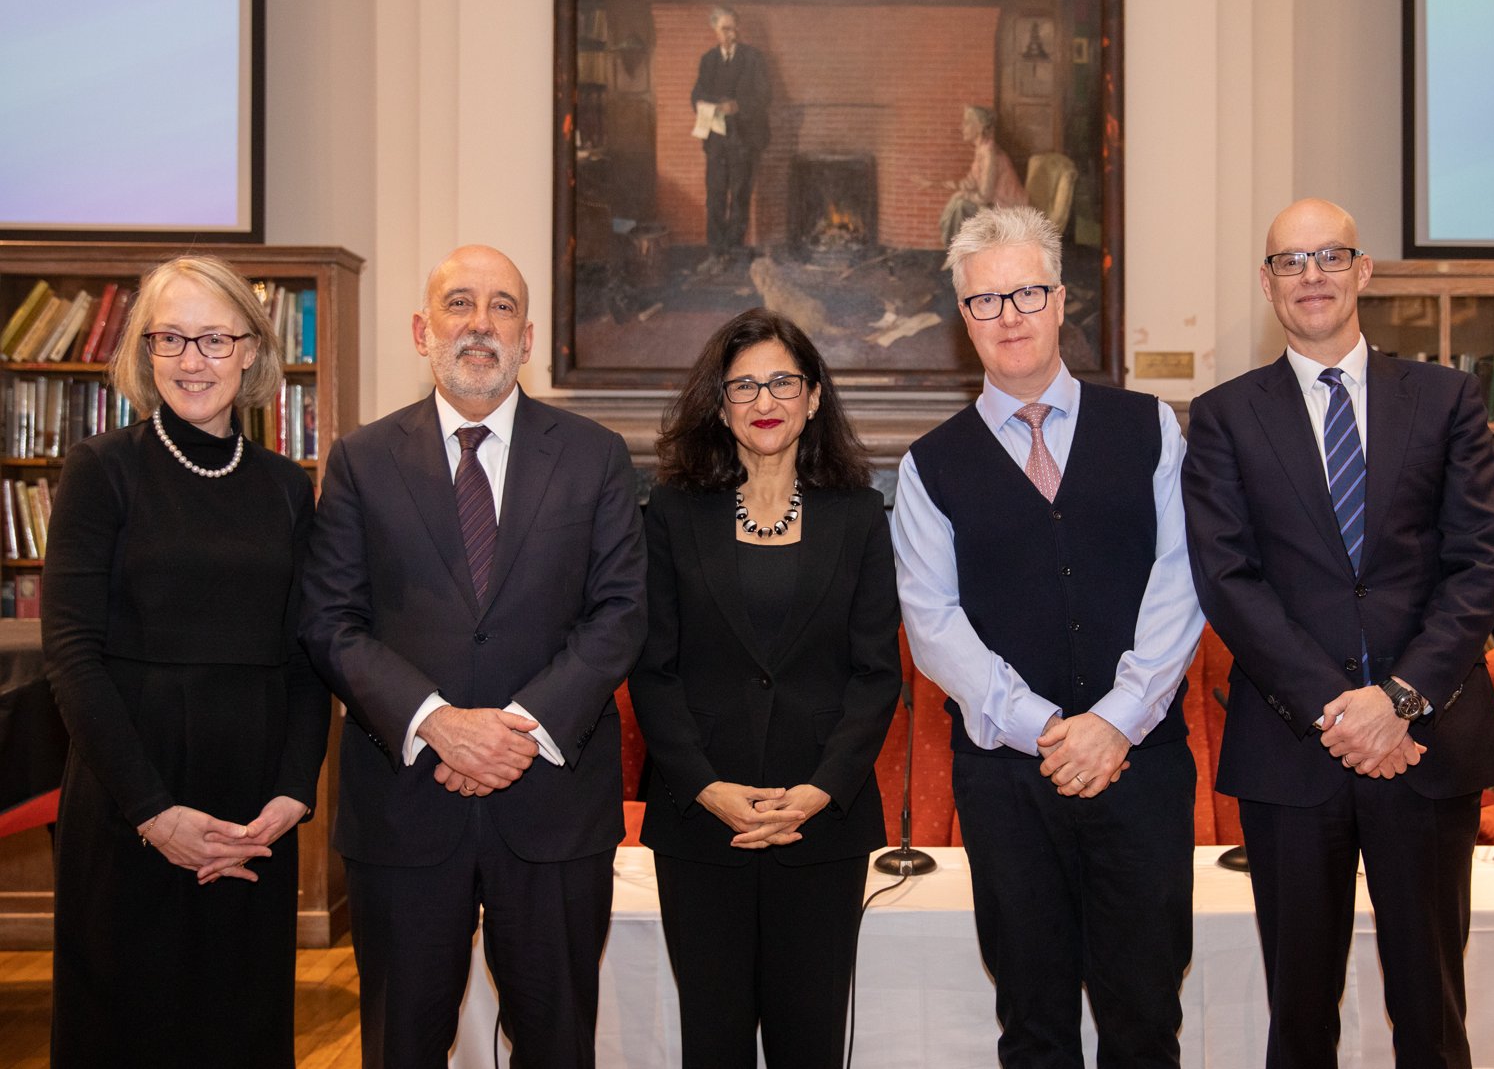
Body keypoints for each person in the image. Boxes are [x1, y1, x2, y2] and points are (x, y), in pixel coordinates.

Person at [1181, 198, 1494, 1069]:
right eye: (1290, 262)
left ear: (1363, 271)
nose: (1312, 276)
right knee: (1299, 1020)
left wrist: (1398, 701)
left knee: (1432, 1014)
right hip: (1294, 750)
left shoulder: (1444, 398)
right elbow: (1227, 580)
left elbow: (1480, 560)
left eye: (1330, 256)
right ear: (1267, 285)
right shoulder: (1223, 416)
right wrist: (1342, 710)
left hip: (1426, 744)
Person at [299, 245, 646, 1068]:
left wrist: (515, 731)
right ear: (423, 331)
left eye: (502, 307)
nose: (480, 324)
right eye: (459, 303)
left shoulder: (595, 455)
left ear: (527, 338)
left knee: (558, 1045)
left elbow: (622, 612)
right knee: (402, 1046)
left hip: (552, 809)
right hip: (404, 808)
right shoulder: (361, 460)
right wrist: (439, 724)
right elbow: (330, 620)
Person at [892, 205, 1203, 1067]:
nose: (1009, 315)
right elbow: (934, 625)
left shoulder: (1149, 428)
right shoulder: (929, 466)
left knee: (1145, 1021)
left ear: (1062, 300)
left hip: (1141, 767)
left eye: (1027, 292)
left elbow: (1182, 580)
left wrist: (1117, 720)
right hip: (1006, 784)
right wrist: (1047, 730)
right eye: (985, 301)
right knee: (1032, 1027)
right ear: (964, 319)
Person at [43, 255, 327, 1067]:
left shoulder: (287, 487)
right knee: (126, 1028)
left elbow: (308, 655)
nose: (191, 360)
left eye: (213, 339)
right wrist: (154, 814)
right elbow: (71, 654)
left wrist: (293, 792)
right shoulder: (101, 470)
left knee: (239, 1027)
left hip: (251, 810)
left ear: (250, 350)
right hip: (130, 798)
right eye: (169, 338)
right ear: (145, 351)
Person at [629, 307, 901, 1068]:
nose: (764, 399)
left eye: (782, 381)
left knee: (810, 1043)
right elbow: (652, 669)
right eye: (743, 385)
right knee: (712, 1043)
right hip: (700, 822)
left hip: (821, 825)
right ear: (720, 408)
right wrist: (707, 788)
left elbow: (877, 674)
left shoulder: (859, 516)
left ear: (813, 397)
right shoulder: (672, 512)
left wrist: (819, 791)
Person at [692, 5, 771, 274]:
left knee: (739, 196)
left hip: (744, 140)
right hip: (716, 140)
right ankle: (716, 253)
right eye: (725, 29)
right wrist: (707, 104)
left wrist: (737, 106)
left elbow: (765, 96)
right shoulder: (708, 60)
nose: (732, 34)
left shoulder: (753, 58)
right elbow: (697, 94)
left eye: (734, 29)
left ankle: (733, 252)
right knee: (715, 196)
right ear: (714, 30)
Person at [932, 105, 1029, 248]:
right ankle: (954, 249)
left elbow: (985, 196)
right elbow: (971, 182)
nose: (962, 127)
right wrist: (938, 184)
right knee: (957, 200)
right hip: (993, 203)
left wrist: (963, 194)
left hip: (1007, 206)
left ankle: (955, 249)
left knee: (960, 205)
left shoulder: (989, 153)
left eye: (967, 122)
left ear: (979, 127)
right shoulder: (981, 149)